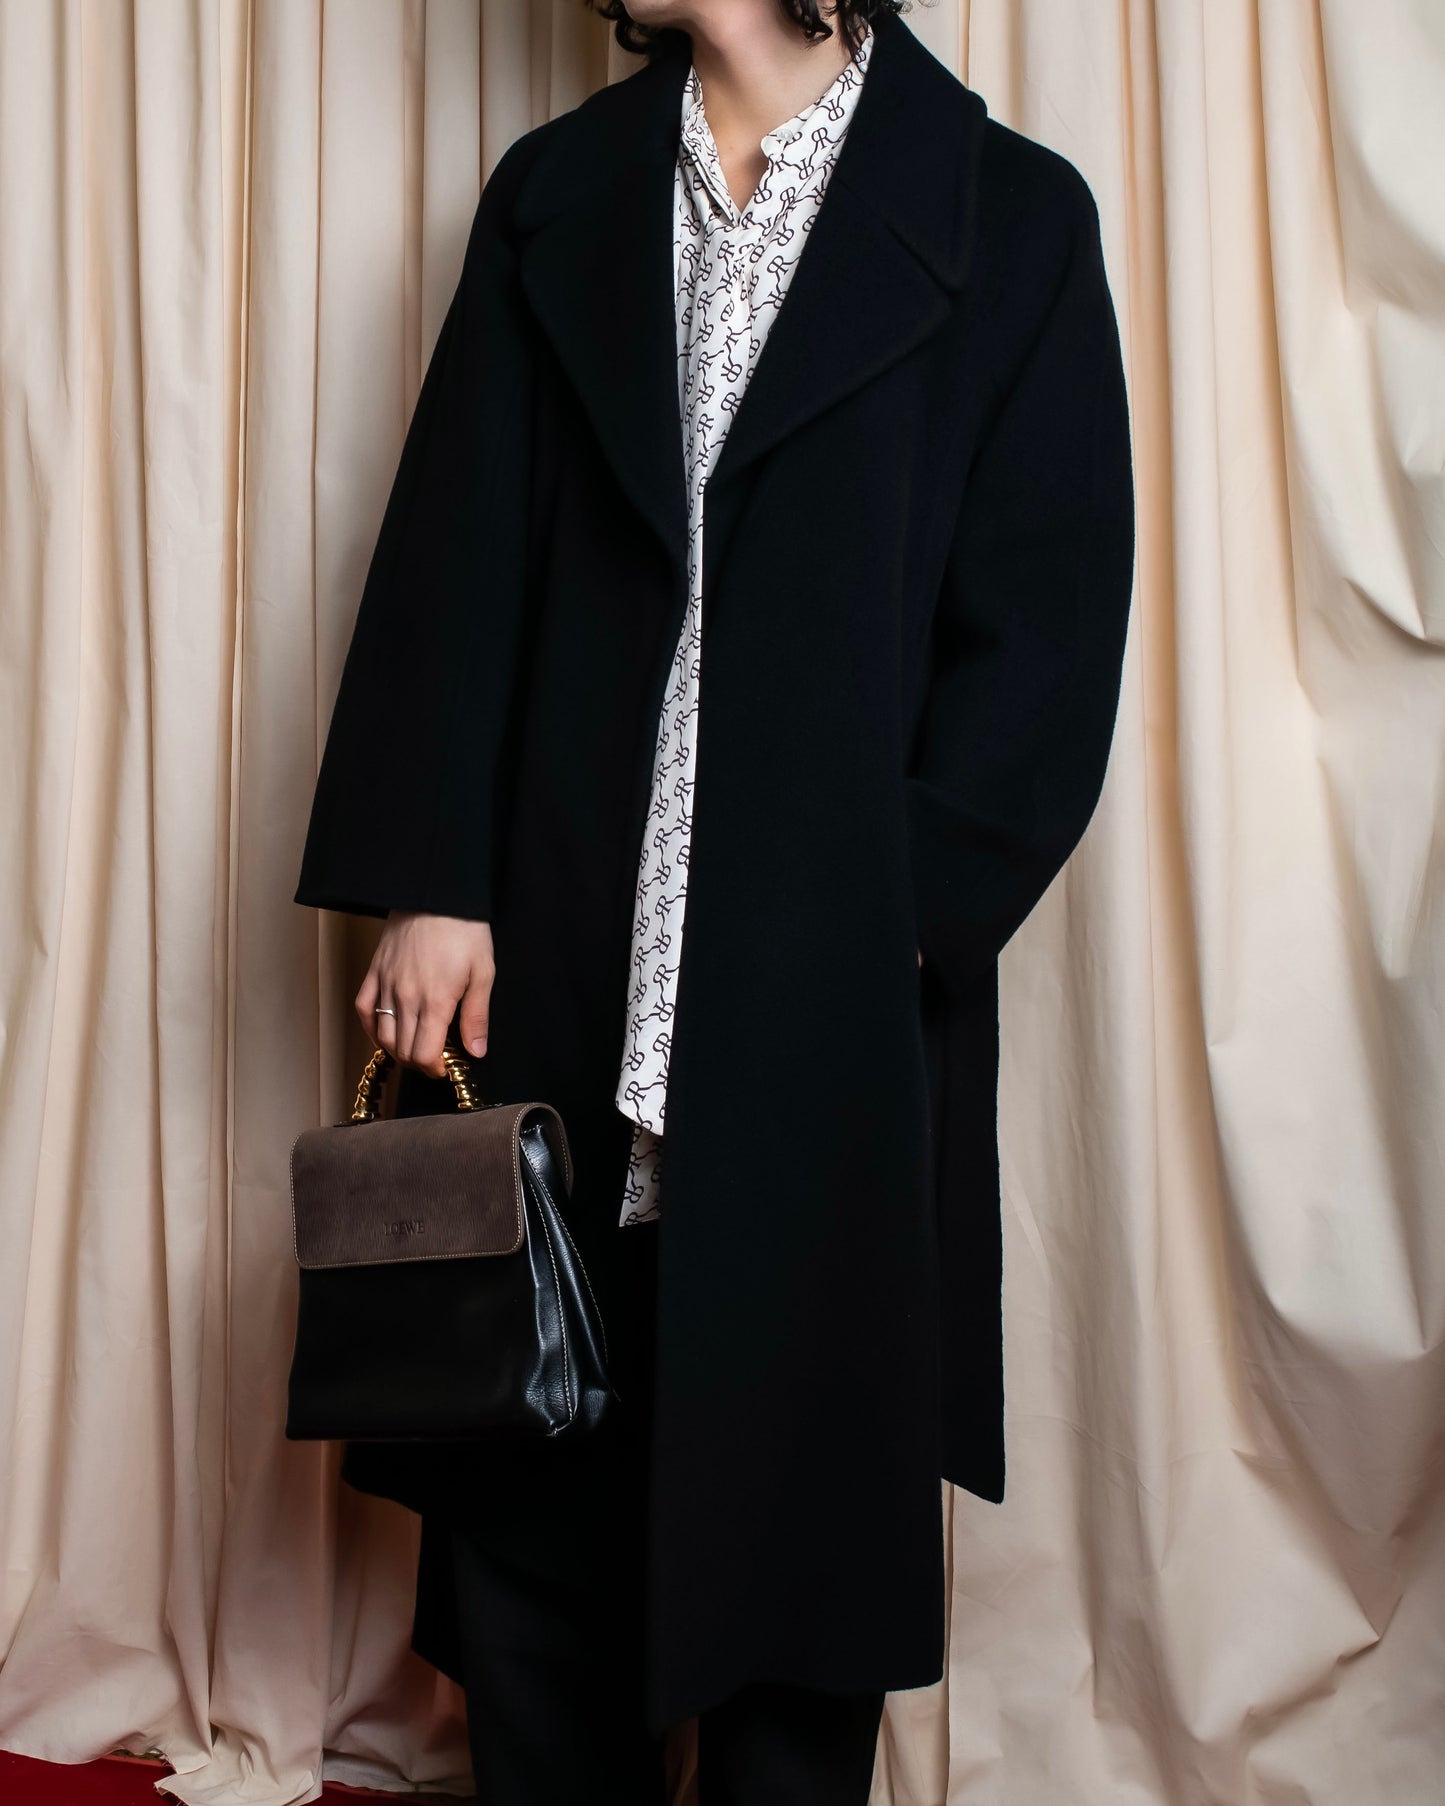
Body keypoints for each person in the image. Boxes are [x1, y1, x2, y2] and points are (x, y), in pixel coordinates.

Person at [292, 0, 1136, 1798]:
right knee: (534, 1493)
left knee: (797, 1519)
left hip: (823, 989)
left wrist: (890, 916)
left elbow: (1044, 637)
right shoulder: (558, 193)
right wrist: (430, 874)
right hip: (559, 943)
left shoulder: (1004, 215)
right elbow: (454, 544)